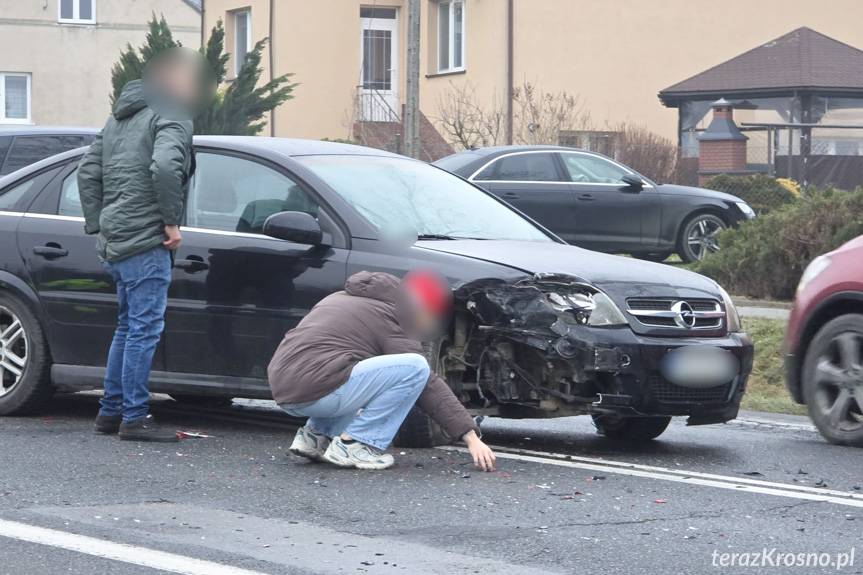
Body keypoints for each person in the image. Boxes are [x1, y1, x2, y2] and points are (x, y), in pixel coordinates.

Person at [268, 270, 496, 471]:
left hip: (284, 388)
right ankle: (356, 445)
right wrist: (470, 436)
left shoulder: (339, 298)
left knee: (353, 370)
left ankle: (316, 437)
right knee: (415, 367)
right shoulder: (396, 314)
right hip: (317, 389)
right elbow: (426, 381)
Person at [77, 73, 194, 442]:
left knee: (128, 327)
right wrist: (171, 222)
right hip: (146, 241)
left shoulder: (118, 118)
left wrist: (99, 223)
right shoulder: (171, 114)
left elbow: (86, 172)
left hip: (116, 239)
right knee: (143, 329)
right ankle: (134, 417)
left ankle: (110, 412)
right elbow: (163, 167)